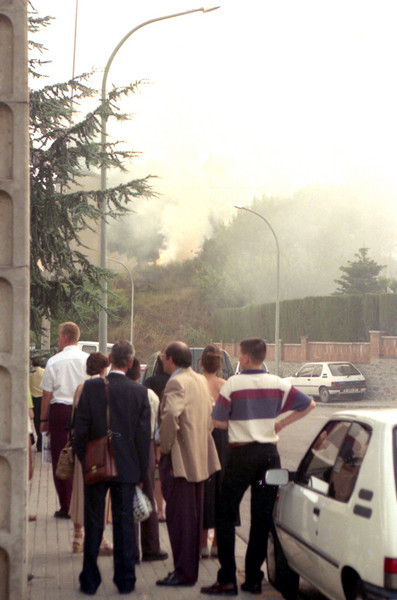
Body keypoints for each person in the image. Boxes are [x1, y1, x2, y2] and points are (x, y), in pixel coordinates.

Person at [201, 338, 316, 596]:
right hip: (268, 459)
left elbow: (217, 422)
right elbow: (309, 405)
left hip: (241, 457)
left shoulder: (233, 384)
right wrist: (281, 424)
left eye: (239, 354)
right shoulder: (278, 383)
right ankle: (253, 578)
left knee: (225, 514)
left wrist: (239, 423)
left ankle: (227, 577)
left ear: (245, 358)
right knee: (262, 517)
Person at [73, 341, 151, 596]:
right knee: (124, 524)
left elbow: (79, 430)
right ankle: (126, 580)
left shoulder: (91, 387)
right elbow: (143, 438)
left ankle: (89, 580)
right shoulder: (139, 392)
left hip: (96, 465)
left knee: (94, 522)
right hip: (127, 468)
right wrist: (141, 474)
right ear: (130, 363)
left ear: (109, 359)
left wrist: (86, 462)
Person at [156, 341, 221, 588]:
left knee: (179, 520)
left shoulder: (176, 382)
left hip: (179, 461)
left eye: (164, 356)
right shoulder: (200, 380)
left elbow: (171, 414)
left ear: (171, 358)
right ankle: (188, 571)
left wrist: (165, 446)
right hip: (200, 458)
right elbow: (212, 414)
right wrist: (199, 437)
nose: (162, 360)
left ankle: (183, 573)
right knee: (193, 519)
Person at [40, 322, 89, 518]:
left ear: (65, 337)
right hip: (84, 410)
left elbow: (47, 393)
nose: (57, 339)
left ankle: (66, 504)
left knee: (61, 456)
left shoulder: (54, 361)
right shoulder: (88, 359)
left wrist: (43, 419)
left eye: (59, 336)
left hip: (60, 411)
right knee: (85, 455)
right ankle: (84, 502)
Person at [69, 352, 113, 556]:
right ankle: (100, 535)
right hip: (101, 449)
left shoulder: (80, 388)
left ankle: (78, 536)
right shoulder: (106, 388)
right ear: (104, 369)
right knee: (100, 496)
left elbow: (74, 420)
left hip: (83, 448)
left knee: (79, 490)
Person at [126, 357, 168, 563]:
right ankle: (151, 548)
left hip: (126, 448)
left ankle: (131, 551)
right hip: (149, 446)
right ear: (139, 374)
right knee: (148, 496)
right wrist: (158, 449)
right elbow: (158, 425)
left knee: (129, 497)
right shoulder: (151, 395)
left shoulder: (120, 393)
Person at [200, 344, 228, 559]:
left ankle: (201, 543)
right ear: (220, 364)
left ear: (201, 362)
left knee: (202, 488)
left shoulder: (196, 383)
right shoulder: (225, 386)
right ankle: (218, 543)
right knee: (221, 488)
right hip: (220, 440)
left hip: (199, 438)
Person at [143, 353, 169, 521]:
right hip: (175, 432)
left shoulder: (150, 382)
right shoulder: (176, 382)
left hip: (155, 431)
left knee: (157, 474)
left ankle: (160, 510)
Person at [29, 356, 44, 451]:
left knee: (36, 422)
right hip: (42, 399)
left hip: (33, 400)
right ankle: (41, 443)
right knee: (42, 421)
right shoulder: (44, 372)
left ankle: (39, 442)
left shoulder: (29, 374)